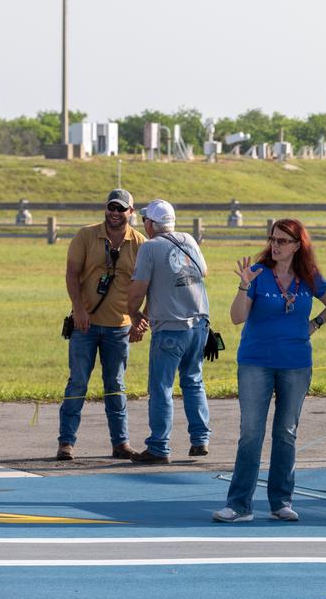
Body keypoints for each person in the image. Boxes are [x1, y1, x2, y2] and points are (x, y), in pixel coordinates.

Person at [212, 219, 326, 523]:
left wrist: (315, 324)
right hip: (256, 361)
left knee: (286, 433)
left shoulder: (309, 277)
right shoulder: (257, 274)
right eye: (273, 239)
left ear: (298, 245)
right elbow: (236, 317)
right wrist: (244, 284)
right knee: (250, 433)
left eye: (283, 241)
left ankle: (281, 501)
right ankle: (239, 505)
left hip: (296, 364)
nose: (275, 245)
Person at [57, 188, 147, 461]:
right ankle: (66, 442)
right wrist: (78, 309)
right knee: (78, 383)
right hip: (85, 326)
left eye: (121, 209)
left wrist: (140, 319)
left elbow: (149, 285)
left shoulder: (141, 243)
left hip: (119, 327)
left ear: (132, 212)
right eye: (111, 207)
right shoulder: (86, 236)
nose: (115, 213)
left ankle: (120, 443)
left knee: (115, 385)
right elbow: (72, 275)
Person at [126, 199, 211, 464]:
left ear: (151, 224)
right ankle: (200, 439)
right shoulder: (188, 239)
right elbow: (204, 272)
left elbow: (138, 288)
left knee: (161, 386)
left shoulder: (150, 247)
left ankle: (159, 447)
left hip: (170, 327)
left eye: (145, 221)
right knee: (193, 380)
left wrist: (134, 312)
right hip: (199, 323)